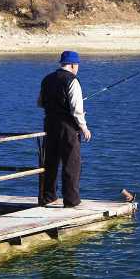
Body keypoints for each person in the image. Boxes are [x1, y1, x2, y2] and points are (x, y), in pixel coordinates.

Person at [38, 51, 91, 207]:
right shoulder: (72, 81)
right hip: (68, 128)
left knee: (50, 162)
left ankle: (49, 196)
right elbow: (76, 110)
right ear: (73, 65)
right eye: (77, 66)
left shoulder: (47, 79)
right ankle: (71, 200)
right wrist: (84, 127)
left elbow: (40, 103)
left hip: (49, 125)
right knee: (71, 163)